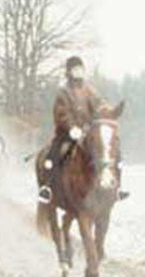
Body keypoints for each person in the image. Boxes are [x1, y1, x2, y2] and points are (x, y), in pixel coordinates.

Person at [38, 56, 129, 204]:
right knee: (54, 154)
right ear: (69, 72)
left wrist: (110, 111)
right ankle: (47, 188)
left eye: (81, 69)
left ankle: (117, 187)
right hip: (67, 134)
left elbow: (100, 105)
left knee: (114, 153)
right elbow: (61, 114)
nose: (79, 72)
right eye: (75, 69)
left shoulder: (89, 90)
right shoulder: (63, 93)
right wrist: (72, 127)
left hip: (87, 133)